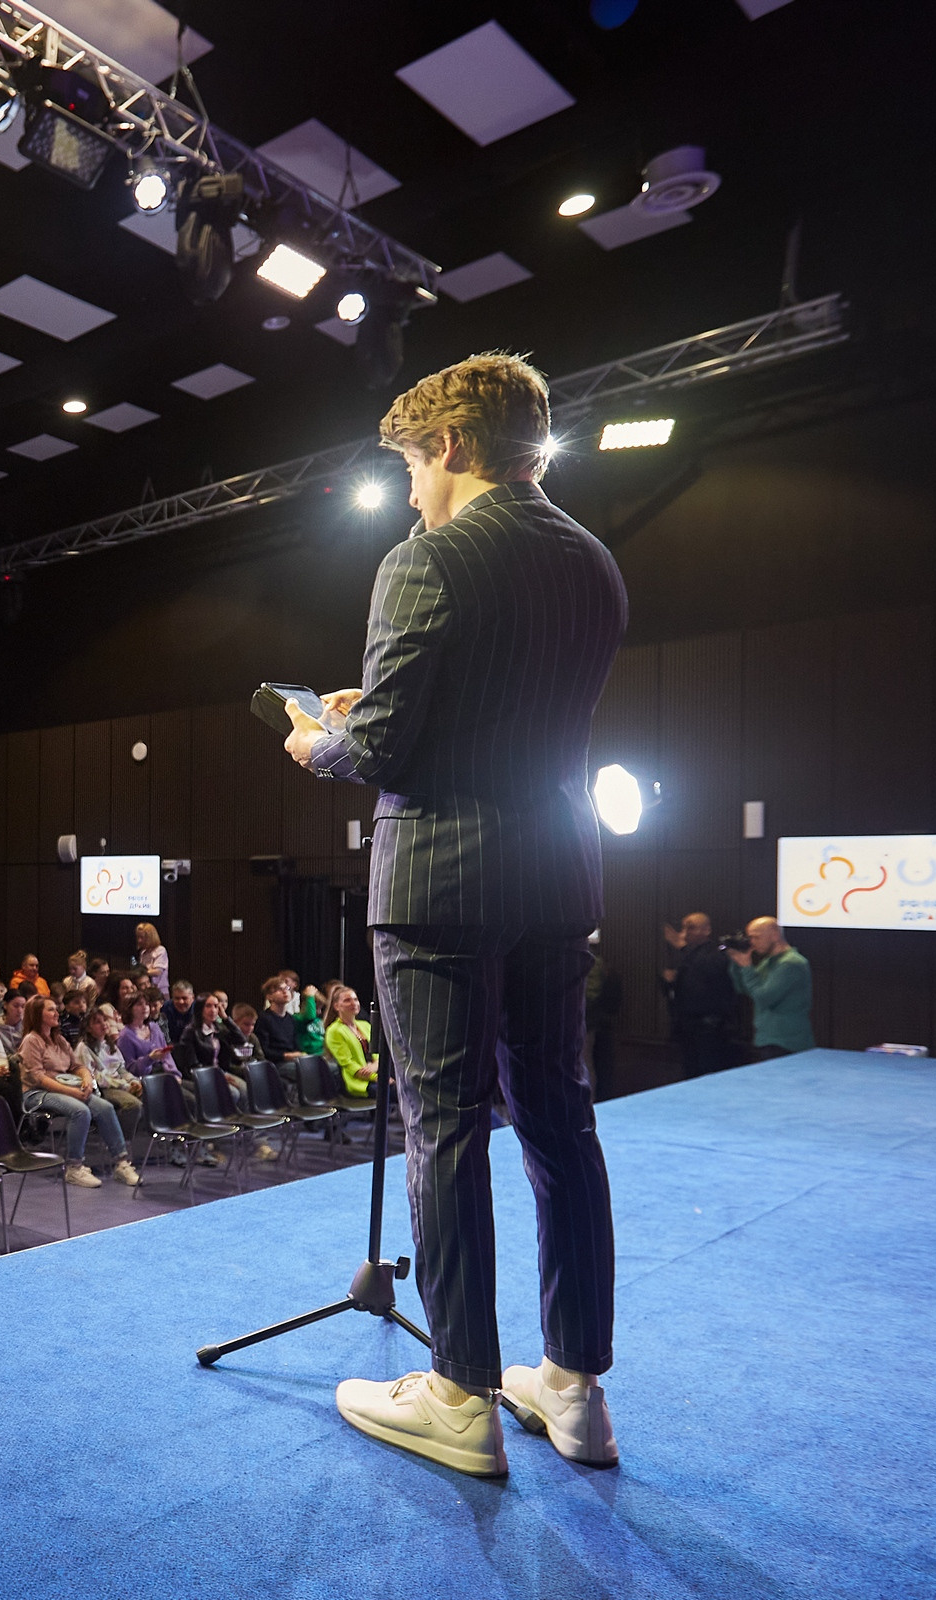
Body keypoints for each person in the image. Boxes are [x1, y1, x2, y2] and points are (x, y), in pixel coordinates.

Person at [282, 351, 626, 1477]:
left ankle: (461, 1394)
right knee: (562, 1126)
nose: (412, 493)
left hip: (439, 878)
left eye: (414, 467)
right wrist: (376, 703)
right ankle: (575, 1391)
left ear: (456, 446)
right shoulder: (593, 563)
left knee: (445, 1132)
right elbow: (499, 709)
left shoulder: (424, 559)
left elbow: (381, 750)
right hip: (553, 872)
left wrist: (319, 738)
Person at [18, 998, 139, 1189]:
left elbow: (77, 1066)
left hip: (66, 1089)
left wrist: (86, 1080)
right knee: (80, 1111)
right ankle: (74, 1167)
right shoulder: (31, 1040)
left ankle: (121, 1163)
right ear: (37, 1015)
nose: (57, 1013)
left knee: (106, 1108)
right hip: (37, 1093)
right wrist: (72, 1092)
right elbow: (39, 1078)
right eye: (51, 1010)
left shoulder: (58, 1039)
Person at [660, 914, 742, 1078]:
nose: (684, 932)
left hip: (710, 1025)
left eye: (690, 927)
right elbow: (678, 990)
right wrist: (668, 981)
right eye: (683, 928)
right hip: (685, 1024)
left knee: (708, 1071)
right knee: (689, 1070)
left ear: (707, 930)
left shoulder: (717, 951)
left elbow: (710, 969)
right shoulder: (684, 955)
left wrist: (682, 947)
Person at [729, 918, 814, 1059]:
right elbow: (745, 990)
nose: (751, 943)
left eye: (756, 937)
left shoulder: (791, 964)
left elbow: (764, 998)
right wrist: (736, 965)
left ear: (774, 935)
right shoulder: (768, 962)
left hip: (787, 1042)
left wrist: (746, 967)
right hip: (768, 1039)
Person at [75, 1005, 146, 1145]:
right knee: (133, 1105)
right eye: (97, 1022)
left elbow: (121, 1069)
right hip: (103, 1089)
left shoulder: (109, 1044)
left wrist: (133, 1080)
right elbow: (94, 1077)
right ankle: (120, 1144)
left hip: (120, 1084)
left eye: (104, 1020)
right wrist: (123, 1085)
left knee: (149, 1095)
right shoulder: (84, 1048)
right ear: (88, 1028)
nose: (103, 1024)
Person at [322, 985, 380, 1096]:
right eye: (347, 1001)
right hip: (358, 1082)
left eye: (355, 999)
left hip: (377, 1074)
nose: (353, 1003)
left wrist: (376, 1065)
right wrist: (376, 1077)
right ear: (336, 1006)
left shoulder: (365, 1025)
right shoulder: (334, 1031)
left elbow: (377, 1053)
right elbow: (348, 1065)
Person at [584, 932, 622, 1097]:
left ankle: (586, 1106)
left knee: (583, 1064)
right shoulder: (597, 962)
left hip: (585, 1022)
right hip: (592, 1022)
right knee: (586, 1064)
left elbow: (589, 995)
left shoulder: (589, 962)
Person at [134, 922, 169, 993]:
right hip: (146, 990)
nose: (139, 940)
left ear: (150, 938)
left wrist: (139, 973)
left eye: (142, 937)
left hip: (160, 991)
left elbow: (158, 972)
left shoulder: (160, 950)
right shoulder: (143, 952)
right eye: (138, 937)